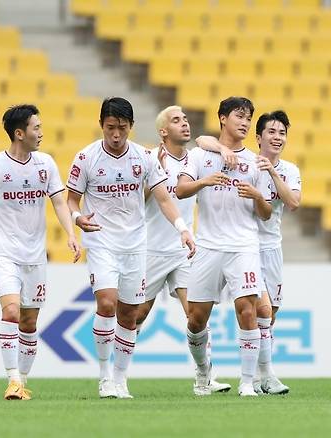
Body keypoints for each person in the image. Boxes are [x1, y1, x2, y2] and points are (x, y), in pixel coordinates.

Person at [66, 97, 195, 399]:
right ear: (101, 125)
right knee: (107, 304)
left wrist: (183, 230)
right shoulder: (86, 158)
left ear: (131, 127)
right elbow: (71, 198)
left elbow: (164, 199)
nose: (115, 135)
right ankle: (103, 376)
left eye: (122, 128)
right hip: (101, 241)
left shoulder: (144, 157)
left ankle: (120, 378)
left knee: (128, 314)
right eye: (110, 128)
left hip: (136, 245)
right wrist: (77, 217)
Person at [0, 104, 81, 400]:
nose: (41, 133)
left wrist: (70, 234)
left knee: (29, 322)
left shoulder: (46, 164)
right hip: (4, 253)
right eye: (36, 128)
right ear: (19, 133)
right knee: (12, 311)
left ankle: (23, 381)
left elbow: (57, 202)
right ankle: (12, 379)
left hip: (35, 255)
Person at [196, 110, 301, 395]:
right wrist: (220, 147)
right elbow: (202, 139)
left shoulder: (288, 170)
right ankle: (265, 376)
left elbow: (292, 202)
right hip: (246, 246)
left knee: (269, 316)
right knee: (258, 309)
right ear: (259, 137)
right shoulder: (246, 163)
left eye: (282, 133)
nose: (277, 138)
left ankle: (258, 375)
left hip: (272, 247)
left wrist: (272, 172)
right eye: (271, 132)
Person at [176, 96, 272, 397]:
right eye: (239, 116)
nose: (244, 122)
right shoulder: (200, 156)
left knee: (247, 309)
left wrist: (257, 195)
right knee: (196, 318)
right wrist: (204, 182)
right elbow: (180, 190)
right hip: (208, 247)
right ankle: (203, 374)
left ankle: (246, 383)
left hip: (244, 246)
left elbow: (266, 214)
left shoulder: (255, 163)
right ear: (222, 118)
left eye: (248, 118)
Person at [137, 105, 230, 393]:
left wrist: (215, 145)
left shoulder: (195, 159)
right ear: (163, 131)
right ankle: (115, 374)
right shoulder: (149, 158)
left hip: (185, 250)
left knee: (197, 315)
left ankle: (205, 378)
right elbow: (137, 201)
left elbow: (207, 142)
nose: (185, 124)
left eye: (186, 119)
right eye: (176, 121)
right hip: (151, 249)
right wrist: (158, 179)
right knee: (136, 315)